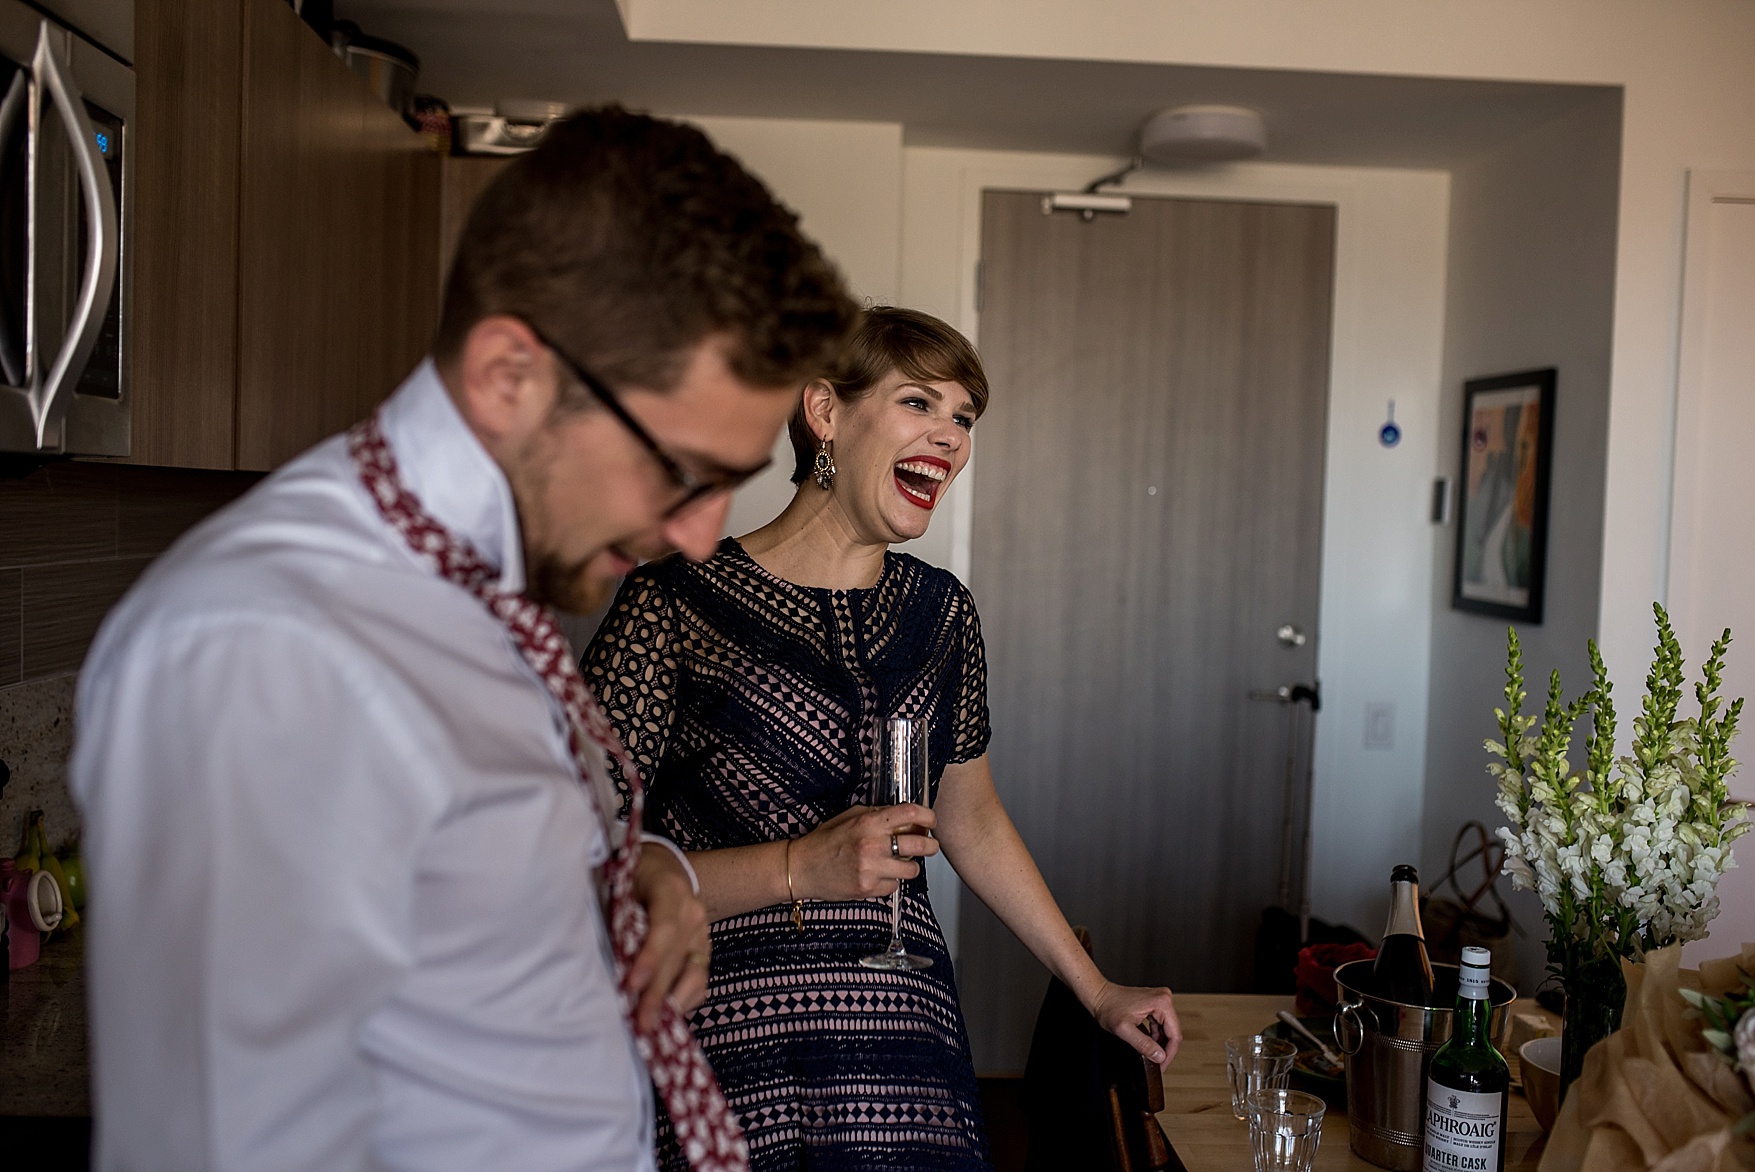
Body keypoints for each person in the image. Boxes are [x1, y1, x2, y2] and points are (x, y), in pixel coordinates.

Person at [69, 108, 858, 1172]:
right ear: (506, 375)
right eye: (681, 471)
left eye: (731, 483)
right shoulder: (271, 647)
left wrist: (644, 872)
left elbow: (459, 864)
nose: (699, 532)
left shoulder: (475, 587)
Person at [583, 307, 1182, 1171]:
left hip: (902, 1028)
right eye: (919, 403)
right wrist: (801, 868)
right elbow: (580, 865)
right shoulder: (675, 605)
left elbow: (968, 817)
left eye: (964, 417)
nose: (948, 436)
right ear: (824, 413)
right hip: (720, 1024)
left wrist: (1094, 992)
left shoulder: (941, 616)